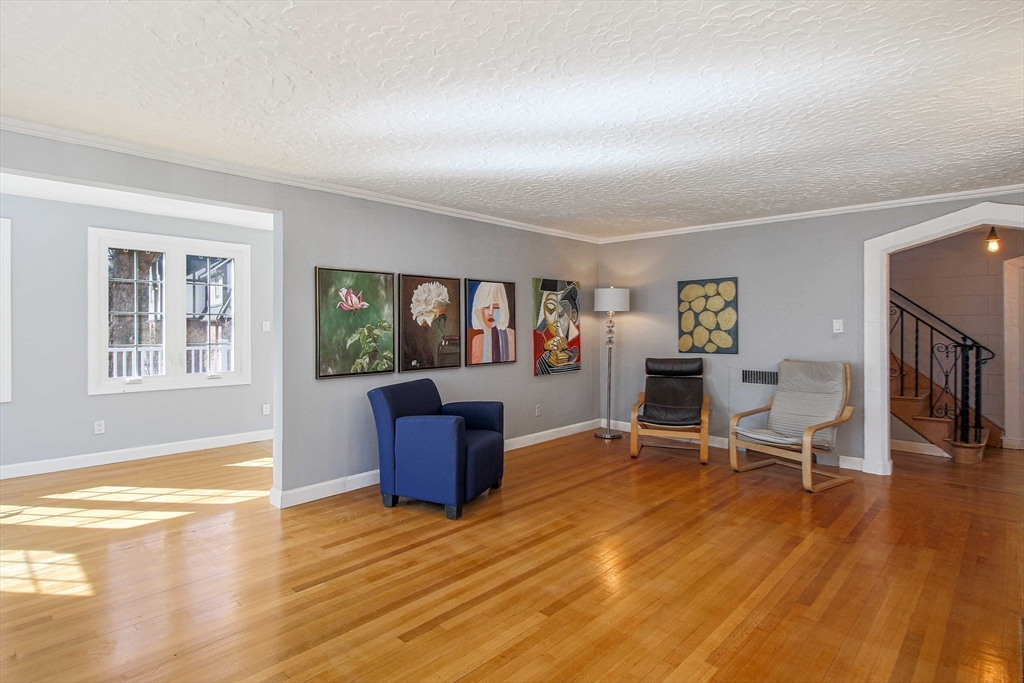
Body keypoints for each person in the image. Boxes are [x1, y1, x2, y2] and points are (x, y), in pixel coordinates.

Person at [469, 282, 515, 364]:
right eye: (486, 307)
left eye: (496, 307)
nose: (491, 312)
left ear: (503, 309)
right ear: (479, 309)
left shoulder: (511, 336)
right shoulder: (478, 340)